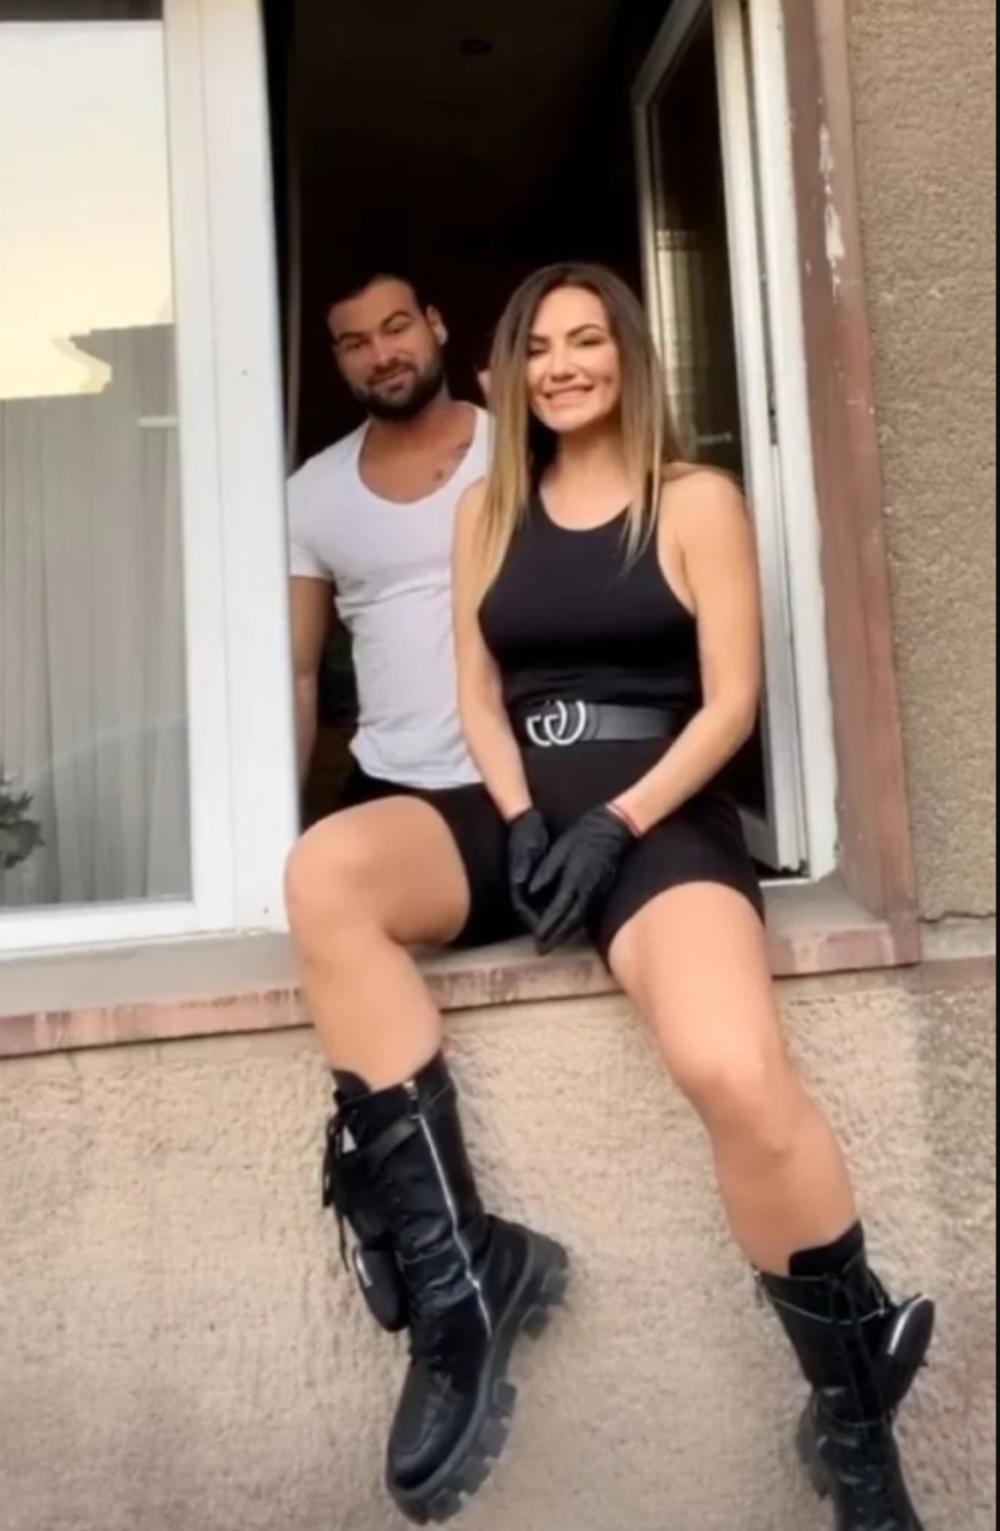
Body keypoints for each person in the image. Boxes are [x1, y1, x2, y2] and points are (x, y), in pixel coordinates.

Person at [286, 263, 934, 1530]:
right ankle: (464, 1276)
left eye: (587, 341)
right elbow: (478, 694)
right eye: (538, 347)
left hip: (657, 814)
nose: (562, 366)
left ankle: (854, 1427)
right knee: (328, 872)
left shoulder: (692, 498)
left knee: (732, 1068)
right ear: (508, 371)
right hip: (519, 813)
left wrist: (615, 821)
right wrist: (523, 817)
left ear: (629, 356)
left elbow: (731, 700)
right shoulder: (487, 510)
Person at [287, 266, 487, 803]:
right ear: (338, 359)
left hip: (524, 772)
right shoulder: (312, 493)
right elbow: (299, 678)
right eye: (356, 344)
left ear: (435, 325)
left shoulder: (518, 452)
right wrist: (280, 821)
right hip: (389, 780)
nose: (381, 356)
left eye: (396, 328)